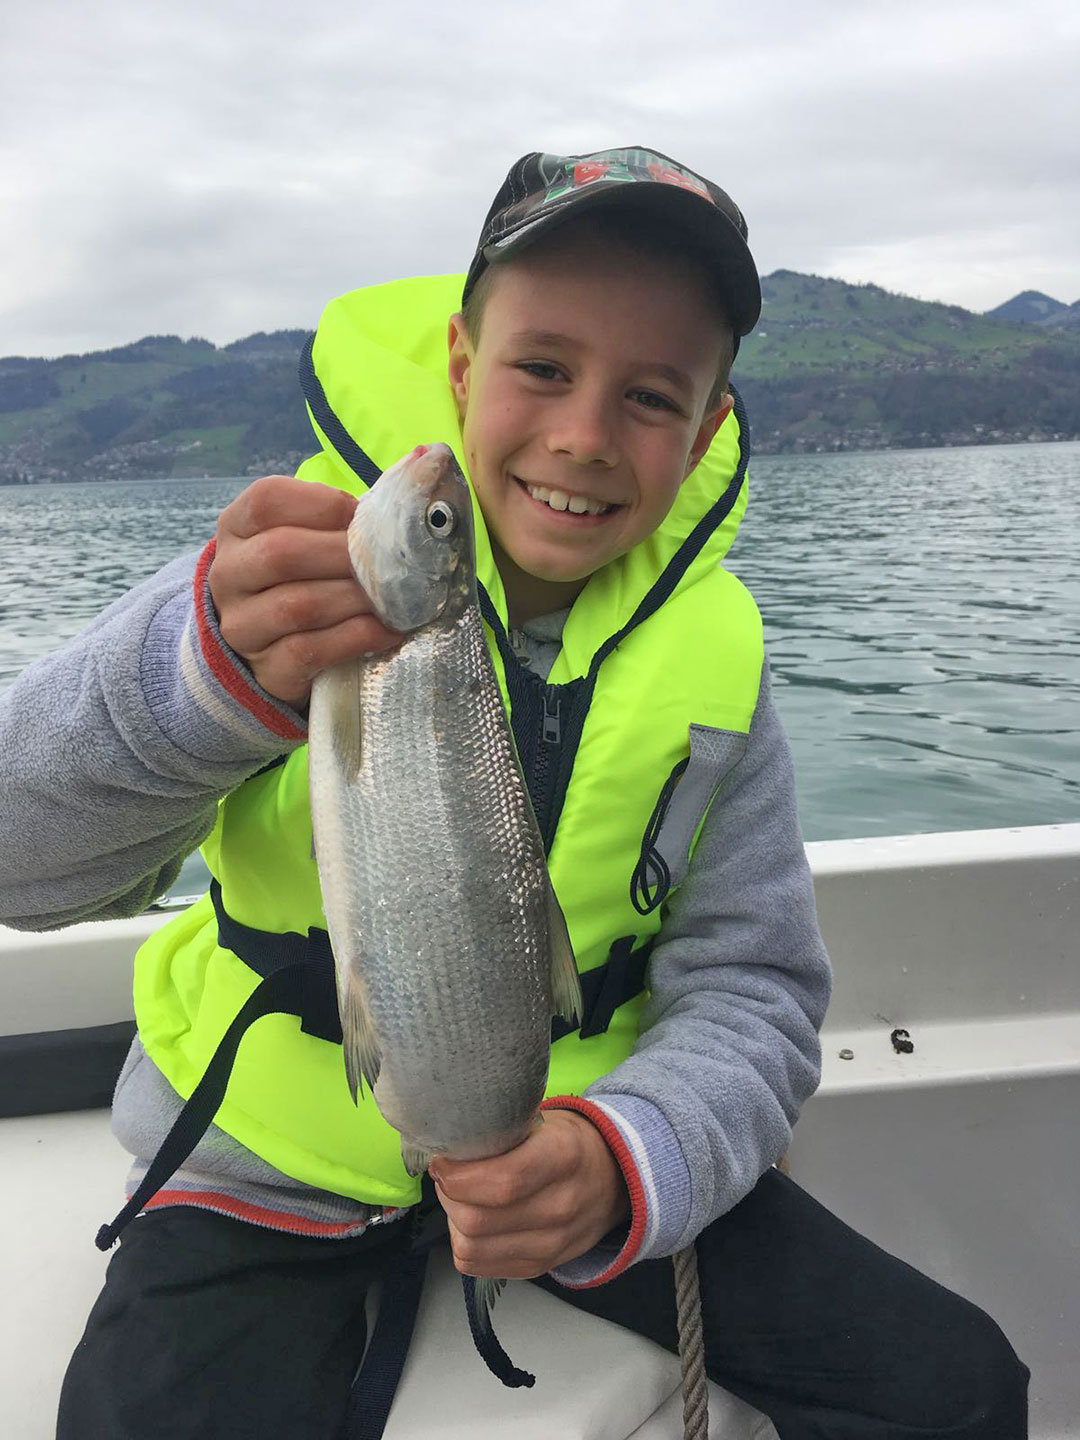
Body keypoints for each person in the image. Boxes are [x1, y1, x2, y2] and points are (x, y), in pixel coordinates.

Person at [0, 148, 1027, 1439]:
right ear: (461, 362)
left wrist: (622, 1157)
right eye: (542, 367)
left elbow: (756, 991)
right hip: (254, 1171)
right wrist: (204, 677)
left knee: (957, 1392)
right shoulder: (278, 582)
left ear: (707, 428)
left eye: (649, 397)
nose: (584, 437)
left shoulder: (715, 666)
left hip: (566, 1142)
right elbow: (21, 864)